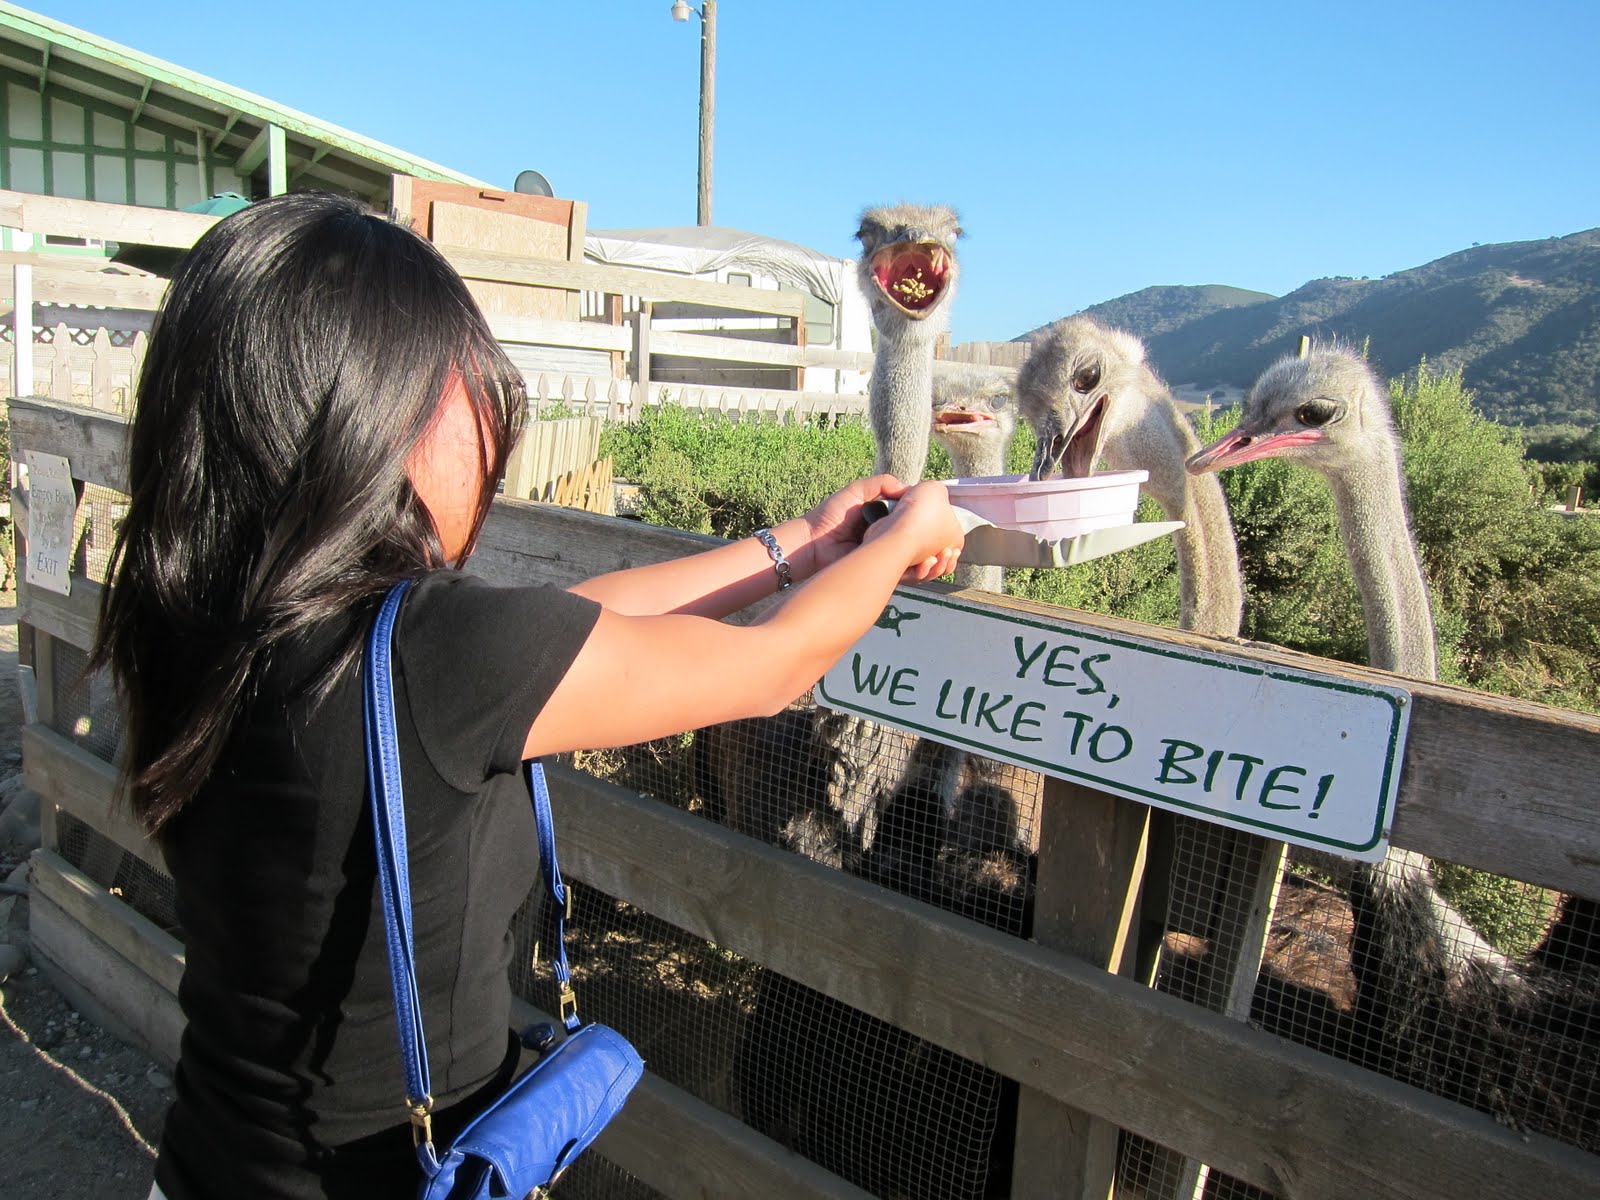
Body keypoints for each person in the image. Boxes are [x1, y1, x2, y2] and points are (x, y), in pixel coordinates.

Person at [89, 191, 965, 1200]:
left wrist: (794, 549)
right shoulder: (442, 653)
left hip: (207, 1168)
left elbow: (570, 624)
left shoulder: (202, 616)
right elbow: (772, 666)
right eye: (468, 395)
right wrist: (905, 537)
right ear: (374, 414)